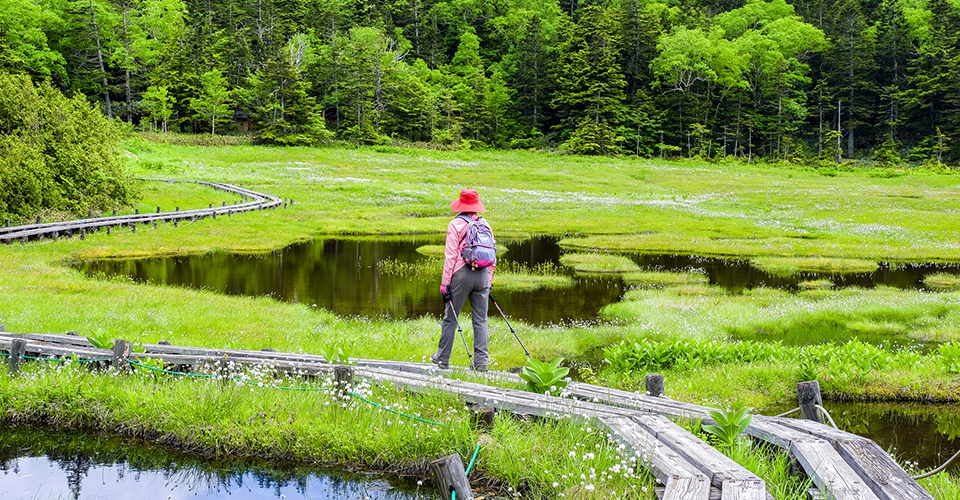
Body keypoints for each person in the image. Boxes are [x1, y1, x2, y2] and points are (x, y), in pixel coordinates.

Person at [431, 189, 495, 371]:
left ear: (461, 205)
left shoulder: (455, 224)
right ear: (476, 205)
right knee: (481, 320)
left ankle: (442, 358)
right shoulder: (486, 225)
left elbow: (450, 256)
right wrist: (488, 282)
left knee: (451, 318)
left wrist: (445, 284)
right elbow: (493, 256)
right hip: (483, 274)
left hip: (461, 274)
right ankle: (481, 363)